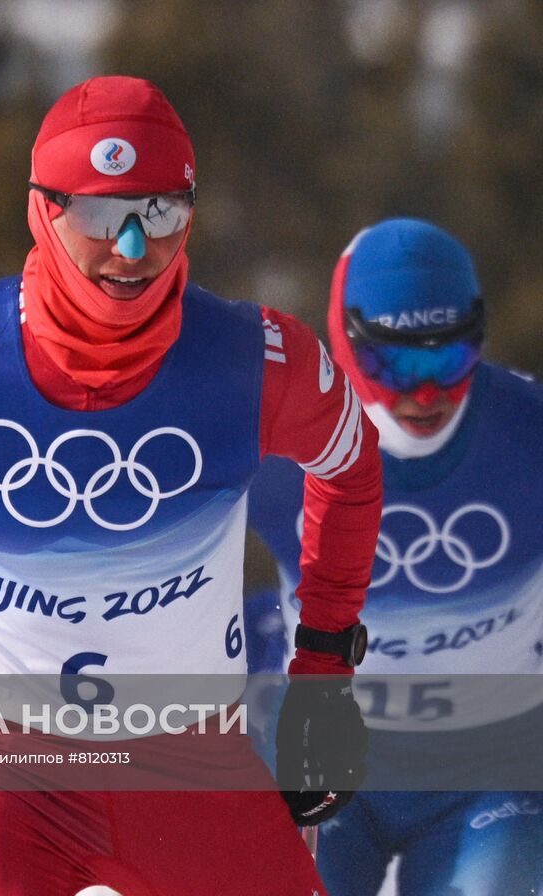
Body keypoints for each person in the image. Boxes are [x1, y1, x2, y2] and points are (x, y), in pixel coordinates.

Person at [0, 75, 383, 896]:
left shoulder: (257, 362)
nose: (130, 249)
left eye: (160, 215)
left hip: (188, 753)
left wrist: (325, 671)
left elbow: (351, 466)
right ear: (43, 210)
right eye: (97, 216)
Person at [248, 218, 543, 896]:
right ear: (347, 344)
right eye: (397, 364)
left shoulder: (528, 432)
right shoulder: (283, 440)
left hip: (492, 768)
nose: (427, 393)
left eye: (450, 359)